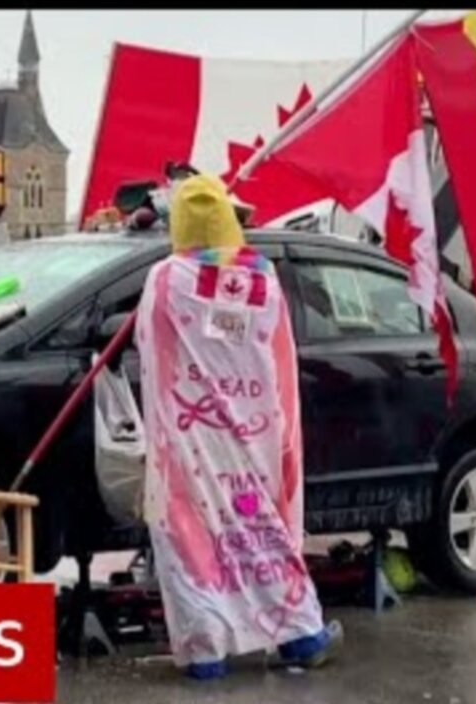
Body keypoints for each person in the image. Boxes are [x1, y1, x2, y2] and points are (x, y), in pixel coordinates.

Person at [135, 174, 342, 681]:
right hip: (255, 434)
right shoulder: (264, 280)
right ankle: (300, 634)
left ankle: (206, 651)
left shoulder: (165, 279)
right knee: (262, 529)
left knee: (191, 541)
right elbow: (278, 356)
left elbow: (150, 342)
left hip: (190, 441)